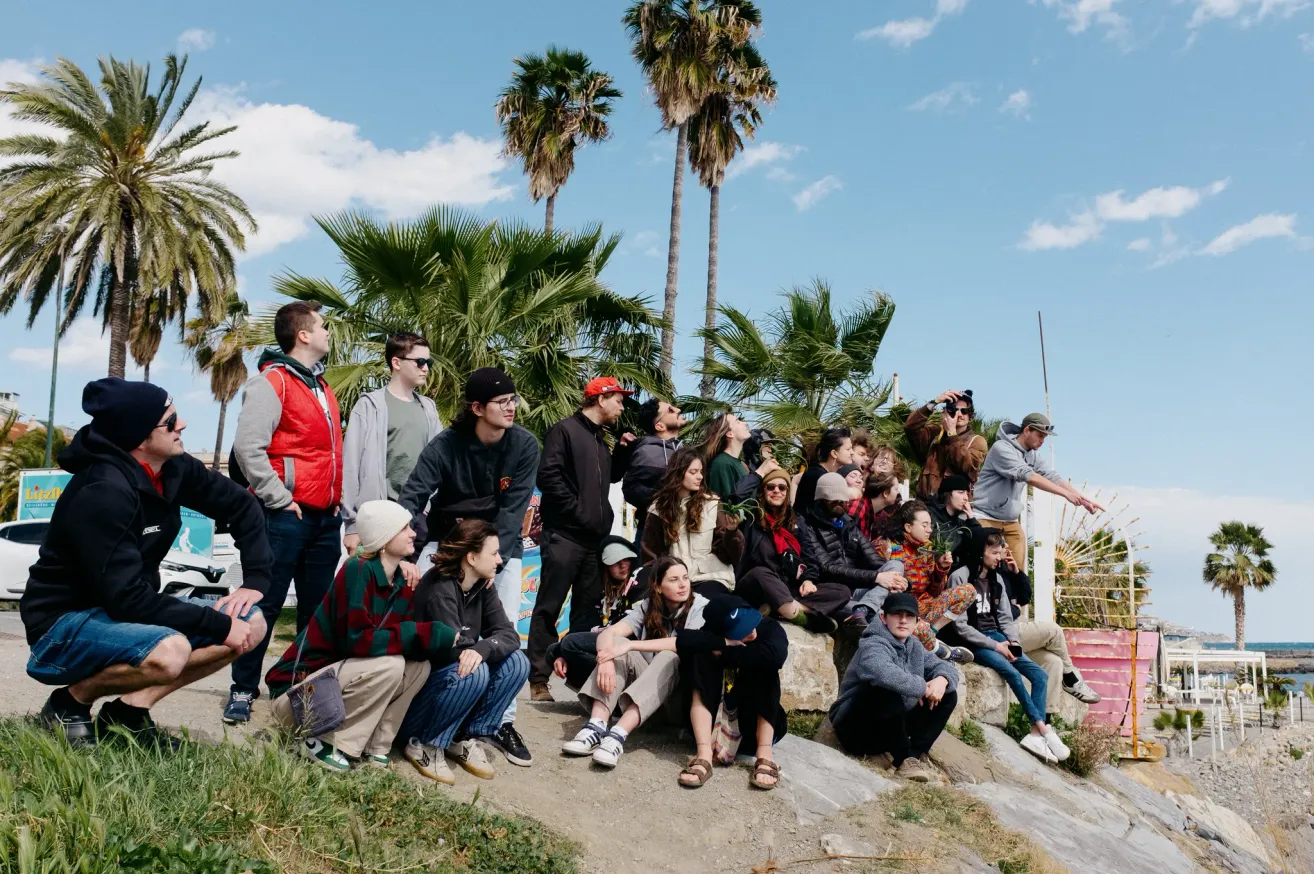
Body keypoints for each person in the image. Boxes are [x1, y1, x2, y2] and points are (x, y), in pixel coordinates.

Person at [22, 379, 273, 749]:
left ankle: (127, 714)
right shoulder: (103, 490)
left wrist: (255, 579)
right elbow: (128, 599)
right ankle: (69, 702)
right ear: (139, 437)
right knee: (170, 651)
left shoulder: (173, 468)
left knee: (253, 621)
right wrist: (217, 623)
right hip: (62, 624)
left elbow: (242, 506)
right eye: (170, 422)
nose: (182, 426)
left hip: (118, 612)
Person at [396, 367, 539, 728]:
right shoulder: (445, 444)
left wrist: (494, 564)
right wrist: (395, 544)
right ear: (477, 408)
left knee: (504, 638)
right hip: (447, 541)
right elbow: (414, 494)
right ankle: (433, 711)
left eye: (513, 399)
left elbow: (512, 511)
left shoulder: (524, 444)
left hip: (499, 549)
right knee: (440, 632)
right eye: (502, 401)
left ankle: (499, 723)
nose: (511, 407)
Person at [265, 501, 455, 771]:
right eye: (403, 528)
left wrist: (441, 640)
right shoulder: (357, 571)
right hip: (297, 697)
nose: (413, 532)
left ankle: (376, 745)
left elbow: (399, 641)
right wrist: (424, 632)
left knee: (418, 668)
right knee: (391, 664)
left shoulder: (400, 583)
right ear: (384, 538)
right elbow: (358, 641)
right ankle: (326, 742)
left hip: (332, 688)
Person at [226, 301, 346, 725]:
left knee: (316, 611)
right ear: (303, 335)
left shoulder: (323, 387)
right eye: (323, 326)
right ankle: (242, 688)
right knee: (265, 604)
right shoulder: (271, 381)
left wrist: (338, 504)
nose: (328, 332)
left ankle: (298, 686)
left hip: (325, 518)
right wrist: (279, 497)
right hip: (284, 516)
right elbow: (248, 448)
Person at [528, 377, 637, 701]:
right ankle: (538, 680)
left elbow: (611, 477)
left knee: (587, 612)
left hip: (594, 542)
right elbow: (548, 476)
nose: (621, 405)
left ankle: (580, 683)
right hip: (564, 536)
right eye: (618, 399)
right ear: (600, 399)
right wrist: (580, 512)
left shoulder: (601, 439)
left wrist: (621, 454)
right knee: (549, 605)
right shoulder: (564, 430)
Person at [401, 519, 533, 783]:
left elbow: (509, 635)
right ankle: (424, 744)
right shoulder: (440, 588)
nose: (499, 560)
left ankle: (462, 737)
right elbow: (453, 651)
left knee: (516, 662)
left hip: (452, 689)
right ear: (472, 557)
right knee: (474, 670)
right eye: (493, 553)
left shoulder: (481, 584)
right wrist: (478, 653)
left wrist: (484, 647)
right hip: (418, 703)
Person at [561, 556, 706, 769]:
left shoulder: (701, 606)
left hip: (677, 701)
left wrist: (632, 645)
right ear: (657, 586)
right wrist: (605, 661)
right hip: (645, 694)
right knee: (616, 642)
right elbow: (610, 632)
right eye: (674, 579)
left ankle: (617, 735)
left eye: (685, 578)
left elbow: (682, 643)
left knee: (667, 655)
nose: (683, 584)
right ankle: (596, 727)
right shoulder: (649, 606)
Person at [634, 594, 788, 790]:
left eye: (750, 623)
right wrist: (629, 645)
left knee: (765, 667)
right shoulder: (710, 636)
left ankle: (765, 754)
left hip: (752, 728)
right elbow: (681, 641)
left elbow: (777, 657)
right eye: (741, 630)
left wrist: (725, 652)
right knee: (700, 658)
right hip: (714, 726)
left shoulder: (770, 628)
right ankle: (703, 753)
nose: (750, 632)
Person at [946, 530, 1069, 764]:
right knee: (1011, 673)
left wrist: (1012, 642)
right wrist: (995, 646)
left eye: (999, 552)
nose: (998, 557)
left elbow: (1005, 617)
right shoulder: (961, 576)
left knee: (1040, 675)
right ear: (979, 552)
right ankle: (1043, 728)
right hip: (975, 640)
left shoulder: (997, 578)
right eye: (993, 552)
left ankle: (1034, 735)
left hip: (998, 636)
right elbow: (960, 626)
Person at [830, 489, 974, 664]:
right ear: (908, 527)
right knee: (916, 625)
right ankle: (940, 649)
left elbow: (935, 591)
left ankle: (931, 635)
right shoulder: (886, 546)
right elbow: (873, 583)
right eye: (925, 525)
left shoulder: (928, 549)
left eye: (930, 525)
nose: (929, 530)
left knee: (968, 591)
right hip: (897, 611)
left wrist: (941, 570)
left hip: (923, 607)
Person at [829, 592, 959, 782]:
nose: (903, 621)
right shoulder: (872, 642)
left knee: (948, 694)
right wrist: (922, 688)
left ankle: (912, 757)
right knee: (885, 691)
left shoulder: (913, 645)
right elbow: (883, 673)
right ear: (883, 617)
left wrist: (942, 680)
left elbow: (944, 667)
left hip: (891, 724)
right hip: (856, 726)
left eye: (909, 616)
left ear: (917, 622)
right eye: (897, 614)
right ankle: (901, 757)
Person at [341, 332, 442, 554]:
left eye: (429, 362)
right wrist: (352, 525)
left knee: (413, 586)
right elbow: (350, 466)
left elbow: (440, 464)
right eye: (420, 362)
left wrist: (427, 510)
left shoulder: (429, 408)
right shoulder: (369, 405)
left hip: (418, 517)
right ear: (396, 362)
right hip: (376, 519)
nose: (426, 368)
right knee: (375, 586)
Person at [973, 413, 1104, 572]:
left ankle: (1015, 597)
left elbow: (1052, 476)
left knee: (1016, 572)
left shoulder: (1031, 454)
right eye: (1040, 435)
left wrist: (1083, 500)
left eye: (1045, 437)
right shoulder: (1001, 448)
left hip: (1010, 521)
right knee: (983, 570)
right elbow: (1029, 476)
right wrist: (1065, 495)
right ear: (1027, 430)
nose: (1042, 440)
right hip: (985, 517)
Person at [735, 467, 848, 633]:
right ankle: (799, 616)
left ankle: (780, 608)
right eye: (770, 487)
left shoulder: (796, 521)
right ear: (762, 490)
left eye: (782, 487)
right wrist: (758, 473)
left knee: (842, 591)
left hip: (789, 587)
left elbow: (810, 558)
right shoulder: (752, 518)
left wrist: (808, 580)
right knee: (759, 572)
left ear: (787, 492)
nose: (776, 491)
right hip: (758, 586)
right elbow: (737, 496)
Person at [997, 555, 1102, 707]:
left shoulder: (1003, 570)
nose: (1005, 551)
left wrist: (1016, 573)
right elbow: (995, 614)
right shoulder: (983, 575)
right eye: (1000, 548)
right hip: (1001, 633)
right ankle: (1071, 677)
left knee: (1054, 662)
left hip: (1014, 628)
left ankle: (1044, 723)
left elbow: (1025, 598)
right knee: (1053, 630)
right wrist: (1015, 610)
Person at [641, 448, 744, 598]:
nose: (700, 477)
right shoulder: (658, 510)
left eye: (701, 472)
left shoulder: (711, 503)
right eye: (693, 472)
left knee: (703, 606)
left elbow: (730, 556)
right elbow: (650, 555)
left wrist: (732, 533)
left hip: (712, 577)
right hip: (677, 582)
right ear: (678, 473)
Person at [622, 397, 686, 549]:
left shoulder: (682, 450)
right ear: (659, 426)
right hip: (654, 531)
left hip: (682, 530)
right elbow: (631, 489)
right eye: (670, 410)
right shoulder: (646, 451)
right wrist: (663, 499)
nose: (678, 410)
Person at [904, 390, 988, 501]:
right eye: (954, 410)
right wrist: (935, 402)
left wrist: (952, 433)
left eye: (964, 411)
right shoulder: (935, 433)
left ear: (970, 415)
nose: (959, 415)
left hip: (955, 509)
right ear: (946, 412)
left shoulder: (977, 441)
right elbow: (910, 427)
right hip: (927, 504)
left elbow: (967, 465)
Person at [702, 412, 779, 501]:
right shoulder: (721, 463)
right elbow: (728, 503)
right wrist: (761, 472)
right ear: (730, 434)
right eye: (737, 421)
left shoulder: (738, 463)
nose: (745, 423)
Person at [793, 427, 852, 512]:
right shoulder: (817, 475)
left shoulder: (817, 471)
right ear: (834, 453)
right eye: (848, 449)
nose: (852, 452)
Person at [927, 474, 982, 564]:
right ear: (948, 494)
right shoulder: (931, 515)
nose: (966, 498)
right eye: (961, 492)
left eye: (967, 493)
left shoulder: (960, 522)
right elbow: (946, 545)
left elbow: (979, 543)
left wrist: (971, 520)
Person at [854, 471, 901, 542]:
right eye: (896, 489)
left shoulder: (879, 514)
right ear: (885, 493)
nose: (898, 492)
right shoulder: (858, 506)